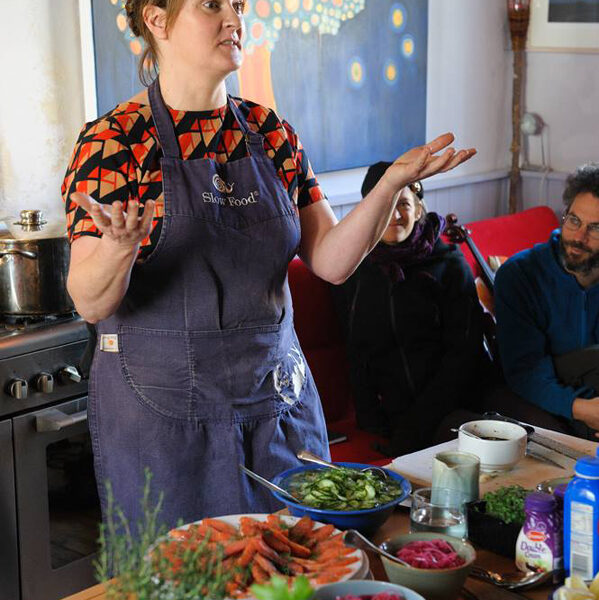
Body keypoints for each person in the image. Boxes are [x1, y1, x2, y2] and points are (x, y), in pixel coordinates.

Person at [62, 0, 475, 527]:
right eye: (212, 5)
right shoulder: (115, 142)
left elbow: (329, 261)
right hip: (167, 422)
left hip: (277, 404)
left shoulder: (269, 132)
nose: (234, 19)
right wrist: (119, 249)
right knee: (193, 578)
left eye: (237, 5)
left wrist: (390, 184)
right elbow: (90, 301)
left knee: (301, 561)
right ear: (157, 20)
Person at [332, 162, 489, 456]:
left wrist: (415, 427)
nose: (394, 215)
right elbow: (355, 350)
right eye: (385, 205)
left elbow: (462, 356)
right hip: (389, 413)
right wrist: (369, 417)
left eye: (403, 204)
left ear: (418, 209)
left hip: (451, 406)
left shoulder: (450, 265)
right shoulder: (352, 267)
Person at [494, 163, 599, 438]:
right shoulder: (520, 275)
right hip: (542, 395)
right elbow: (524, 373)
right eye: (573, 220)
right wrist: (583, 409)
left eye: (595, 228)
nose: (579, 237)